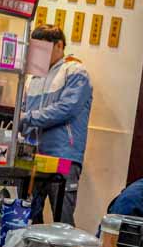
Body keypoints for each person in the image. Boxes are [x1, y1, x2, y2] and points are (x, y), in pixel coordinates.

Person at [22, 25, 92, 225]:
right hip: (35, 156)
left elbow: (66, 109)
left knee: (62, 217)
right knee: (29, 214)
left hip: (64, 156)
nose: (37, 55)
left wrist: (27, 118)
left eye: (41, 49)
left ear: (59, 45)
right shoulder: (33, 78)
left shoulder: (76, 71)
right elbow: (25, 111)